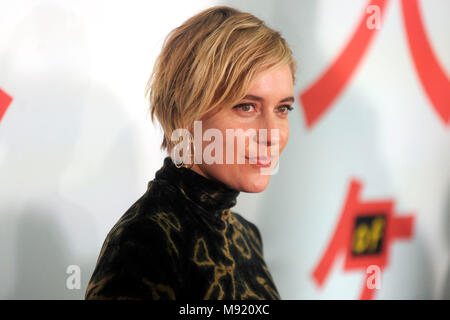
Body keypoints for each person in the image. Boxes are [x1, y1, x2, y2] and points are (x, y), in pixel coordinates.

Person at [85, 5, 296, 300]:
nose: (273, 134)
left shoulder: (246, 235)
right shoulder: (145, 244)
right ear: (187, 112)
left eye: (283, 109)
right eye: (246, 107)